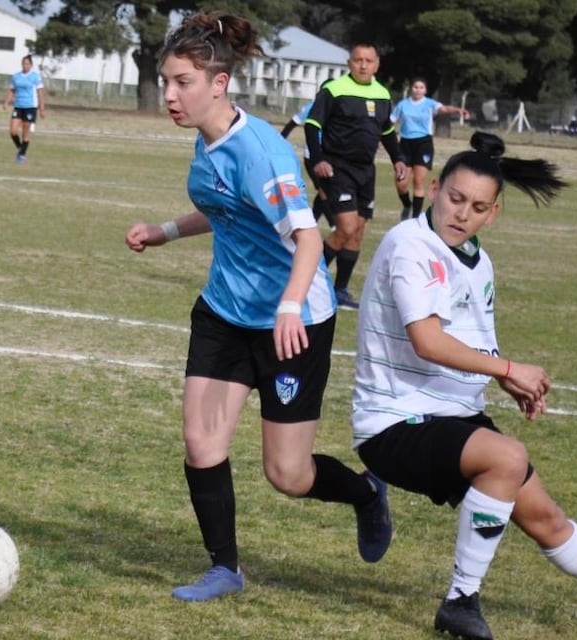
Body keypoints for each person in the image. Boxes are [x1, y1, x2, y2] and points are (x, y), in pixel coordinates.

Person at [351, 131, 577, 639]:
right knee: (506, 457)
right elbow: (428, 341)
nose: (462, 214)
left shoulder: (478, 261)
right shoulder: (410, 245)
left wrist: (502, 377)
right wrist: (509, 370)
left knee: (546, 518)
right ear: (435, 189)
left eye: (477, 207)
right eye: (455, 198)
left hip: (452, 418)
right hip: (394, 422)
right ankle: (460, 601)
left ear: (493, 214)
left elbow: (472, 342)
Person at [125, 11, 391, 604]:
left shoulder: (262, 153)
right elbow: (225, 208)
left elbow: (309, 241)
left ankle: (366, 493)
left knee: (288, 475)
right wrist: (164, 231)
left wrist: (290, 306)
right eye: (166, 81)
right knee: (202, 444)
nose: (170, 95)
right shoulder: (207, 138)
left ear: (218, 84)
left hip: (291, 323)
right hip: (224, 312)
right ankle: (224, 568)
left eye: (182, 83)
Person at [304, 44, 408, 310]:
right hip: (337, 168)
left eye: (368, 61)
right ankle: (307, 282)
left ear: (377, 64)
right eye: (358, 60)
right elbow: (312, 125)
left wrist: (398, 158)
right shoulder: (334, 90)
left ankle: (339, 291)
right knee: (346, 228)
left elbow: (386, 131)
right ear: (349, 63)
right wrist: (318, 159)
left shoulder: (382, 94)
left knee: (357, 232)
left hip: (366, 171)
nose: (363, 65)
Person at [391, 77, 468, 220]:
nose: (418, 90)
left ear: (425, 90)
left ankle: (415, 217)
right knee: (401, 182)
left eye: (421, 87)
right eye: (415, 87)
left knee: (418, 181)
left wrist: (457, 110)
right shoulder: (403, 104)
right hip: (405, 144)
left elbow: (444, 109)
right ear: (411, 89)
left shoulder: (429, 103)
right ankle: (407, 204)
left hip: (423, 144)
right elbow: (391, 121)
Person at [280, 94, 335, 229]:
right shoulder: (312, 106)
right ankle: (333, 225)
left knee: (327, 190)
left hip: (331, 157)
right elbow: (292, 123)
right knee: (324, 190)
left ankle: (312, 222)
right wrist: (278, 141)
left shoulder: (337, 105)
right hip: (312, 157)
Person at [3, 54, 47, 164]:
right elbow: (12, 90)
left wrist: (42, 108)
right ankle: (21, 149)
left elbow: (40, 92)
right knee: (13, 131)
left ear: (31, 65)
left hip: (30, 107)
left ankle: (21, 155)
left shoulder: (35, 76)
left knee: (25, 132)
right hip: (18, 106)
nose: (25, 65)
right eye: (23, 63)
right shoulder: (16, 76)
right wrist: (7, 102)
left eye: (27, 64)